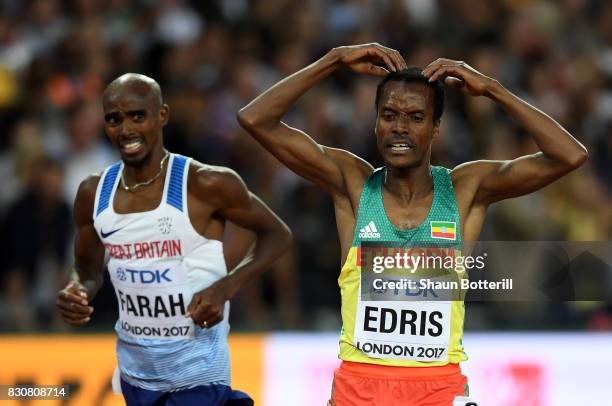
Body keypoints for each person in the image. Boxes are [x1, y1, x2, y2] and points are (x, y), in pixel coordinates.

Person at [237, 43, 587, 405]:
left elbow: (569, 155)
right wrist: (333, 59)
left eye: (416, 118)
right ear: (375, 122)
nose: (399, 128)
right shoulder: (352, 184)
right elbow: (254, 119)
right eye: (388, 115)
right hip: (360, 389)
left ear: (436, 127)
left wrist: (492, 89)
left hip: (437, 388)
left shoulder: (465, 190)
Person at [56, 73, 292, 406]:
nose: (126, 130)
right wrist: (77, 289)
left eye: (138, 116)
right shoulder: (93, 193)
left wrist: (227, 286)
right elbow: (87, 269)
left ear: (162, 115)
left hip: (199, 376)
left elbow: (277, 234)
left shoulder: (205, 184)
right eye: (114, 119)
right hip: (135, 378)